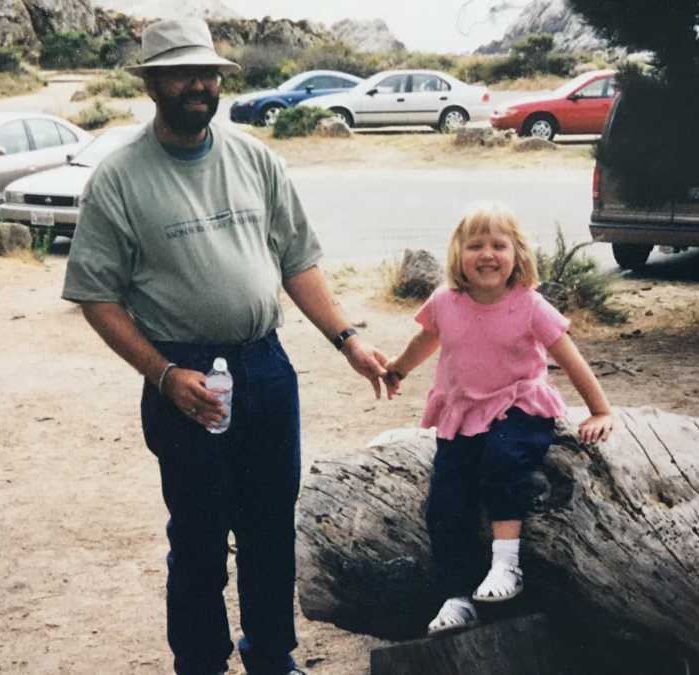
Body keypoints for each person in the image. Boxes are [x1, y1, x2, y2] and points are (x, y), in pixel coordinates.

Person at [61, 18, 387, 675]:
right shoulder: (119, 178)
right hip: (184, 376)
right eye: (182, 72)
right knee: (200, 539)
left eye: (207, 72)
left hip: (265, 367)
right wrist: (162, 374)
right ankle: (202, 662)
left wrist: (347, 339)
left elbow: (297, 260)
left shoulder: (254, 158)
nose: (199, 84)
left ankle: (271, 654)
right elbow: (97, 295)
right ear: (152, 82)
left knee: (271, 529)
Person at [383, 204, 613, 635]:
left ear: (517, 255)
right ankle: (457, 596)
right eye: (476, 246)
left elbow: (569, 356)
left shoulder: (528, 305)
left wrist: (600, 409)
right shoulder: (445, 303)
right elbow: (424, 341)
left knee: (504, 461)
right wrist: (396, 370)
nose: (487, 254)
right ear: (458, 256)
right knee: (446, 498)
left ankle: (507, 566)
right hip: (464, 413)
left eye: (498, 245)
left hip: (520, 406)